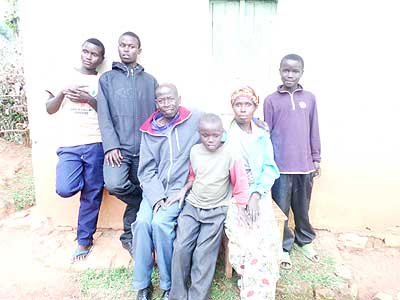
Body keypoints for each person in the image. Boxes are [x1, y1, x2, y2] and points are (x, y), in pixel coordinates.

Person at [132, 83, 202, 300]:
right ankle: (142, 284)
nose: (167, 104)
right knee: (143, 223)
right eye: (161, 100)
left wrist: (252, 122)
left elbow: (219, 130)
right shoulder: (149, 131)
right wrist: (156, 198)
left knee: (160, 224)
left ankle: (168, 284)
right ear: (156, 103)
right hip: (155, 189)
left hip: (179, 190)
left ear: (179, 98)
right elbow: (146, 170)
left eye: (170, 99)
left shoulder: (194, 119)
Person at [169, 113, 249, 300]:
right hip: (192, 207)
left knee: (203, 255)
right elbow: (193, 176)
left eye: (215, 135)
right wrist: (184, 190)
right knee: (180, 248)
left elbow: (240, 182)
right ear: (199, 134)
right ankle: (177, 295)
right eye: (205, 135)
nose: (210, 139)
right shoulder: (195, 151)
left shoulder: (230, 153)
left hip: (216, 210)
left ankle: (197, 296)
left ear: (222, 133)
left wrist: (242, 206)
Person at [45, 38, 106, 262]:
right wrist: (62, 92)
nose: (89, 56)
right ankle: (86, 179)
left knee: (92, 195)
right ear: (81, 52)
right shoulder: (64, 75)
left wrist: (88, 99)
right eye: (86, 52)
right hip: (69, 144)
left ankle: (84, 240)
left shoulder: (102, 81)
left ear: (101, 59)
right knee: (65, 187)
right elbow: (50, 109)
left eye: (95, 54)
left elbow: (107, 111)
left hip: (95, 143)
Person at [97, 31, 158, 253]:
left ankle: (129, 237)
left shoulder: (149, 81)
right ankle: (144, 200)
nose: (126, 49)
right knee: (114, 183)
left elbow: (157, 117)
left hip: (144, 149)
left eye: (131, 46)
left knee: (141, 183)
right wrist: (111, 145)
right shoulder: (107, 79)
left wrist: (154, 147)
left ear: (139, 51)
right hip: (118, 149)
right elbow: (103, 115)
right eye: (122, 45)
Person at [263, 54, 321, 269]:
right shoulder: (271, 100)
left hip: (305, 164)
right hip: (280, 166)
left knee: (302, 207)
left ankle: (304, 240)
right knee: (281, 208)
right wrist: (268, 163)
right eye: (286, 70)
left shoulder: (310, 98)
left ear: (301, 73)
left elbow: (314, 129)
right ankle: (284, 246)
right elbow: (266, 134)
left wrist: (316, 157)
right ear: (279, 71)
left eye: (294, 71)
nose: (290, 74)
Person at [225, 86, 281, 300]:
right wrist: (243, 197)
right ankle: (248, 282)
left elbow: (269, 167)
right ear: (232, 107)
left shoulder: (261, 134)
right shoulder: (226, 135)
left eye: (247, 104)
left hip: (260, 193)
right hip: (235, 194)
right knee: (244, 242)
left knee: (265, 242)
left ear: (255, 106)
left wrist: (256, 195)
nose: (242, 109)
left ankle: (260, 292)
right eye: (238, 105)